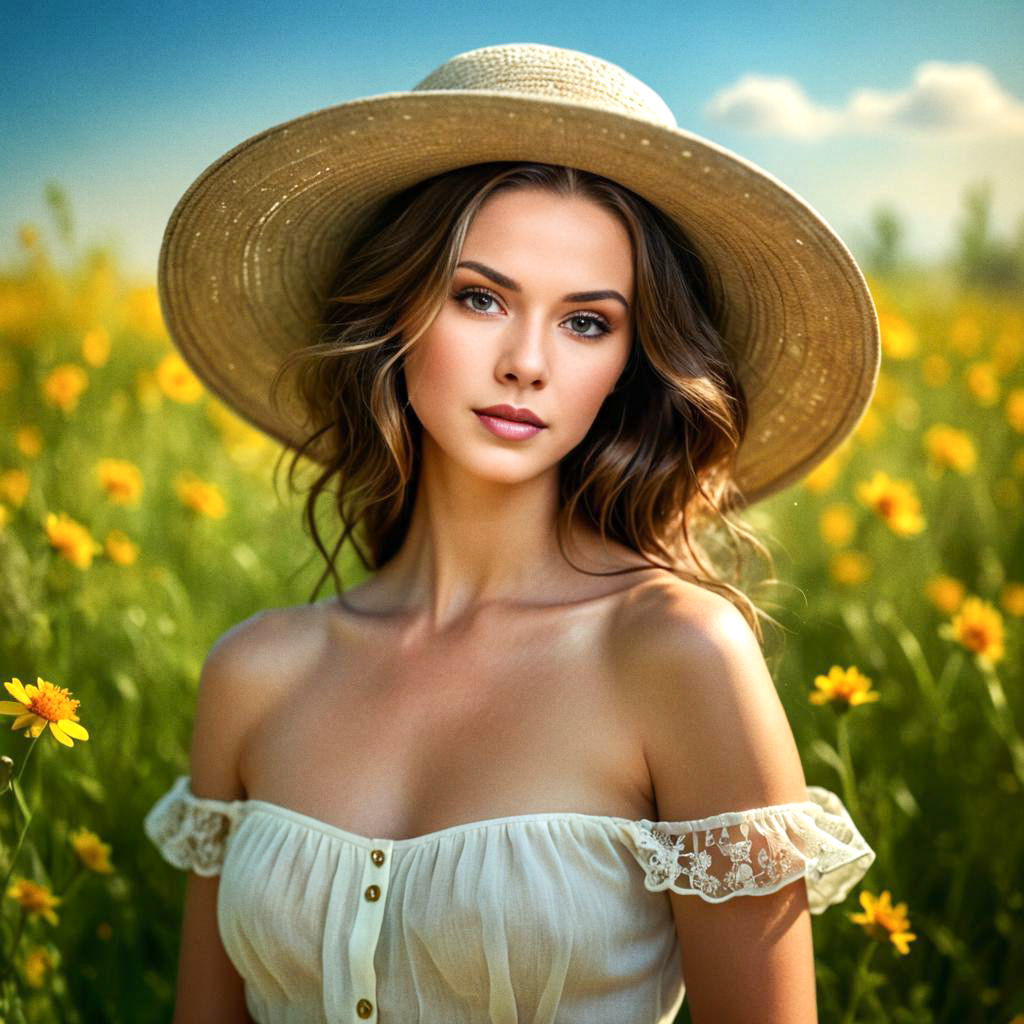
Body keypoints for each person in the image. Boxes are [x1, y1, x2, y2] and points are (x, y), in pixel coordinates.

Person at [143, 42, 878, 1024]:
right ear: (396, 308)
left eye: (586, 321)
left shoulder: (675, 654)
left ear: (631, 362)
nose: (526, 362)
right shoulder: (256, 671)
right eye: (479, 297)